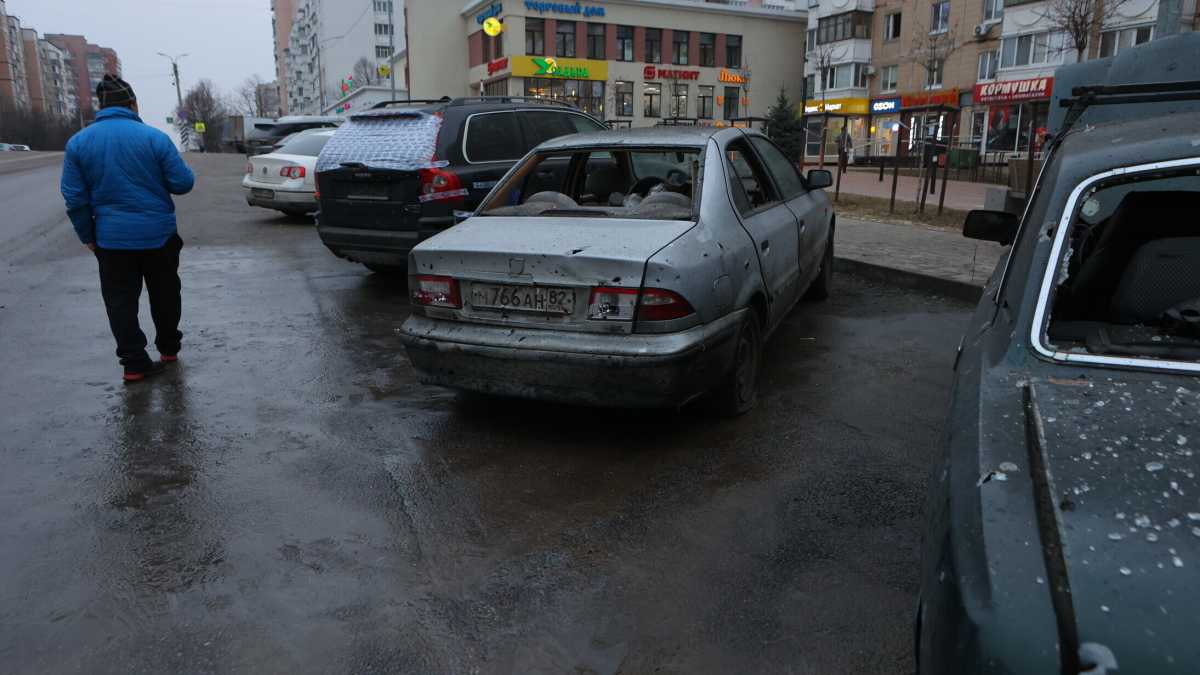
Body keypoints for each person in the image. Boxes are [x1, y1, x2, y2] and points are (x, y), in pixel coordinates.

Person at [61, 75, 196, 383]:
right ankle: (169, 348)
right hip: (159, 236)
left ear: (101, 106)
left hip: (111, 240)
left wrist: (89, 237)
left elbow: (74, 198)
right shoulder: (154, 138)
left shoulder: (79, 143)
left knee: (120, 301)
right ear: (133, 104)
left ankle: (134, 363)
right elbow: (183, 183)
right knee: (165, 293)